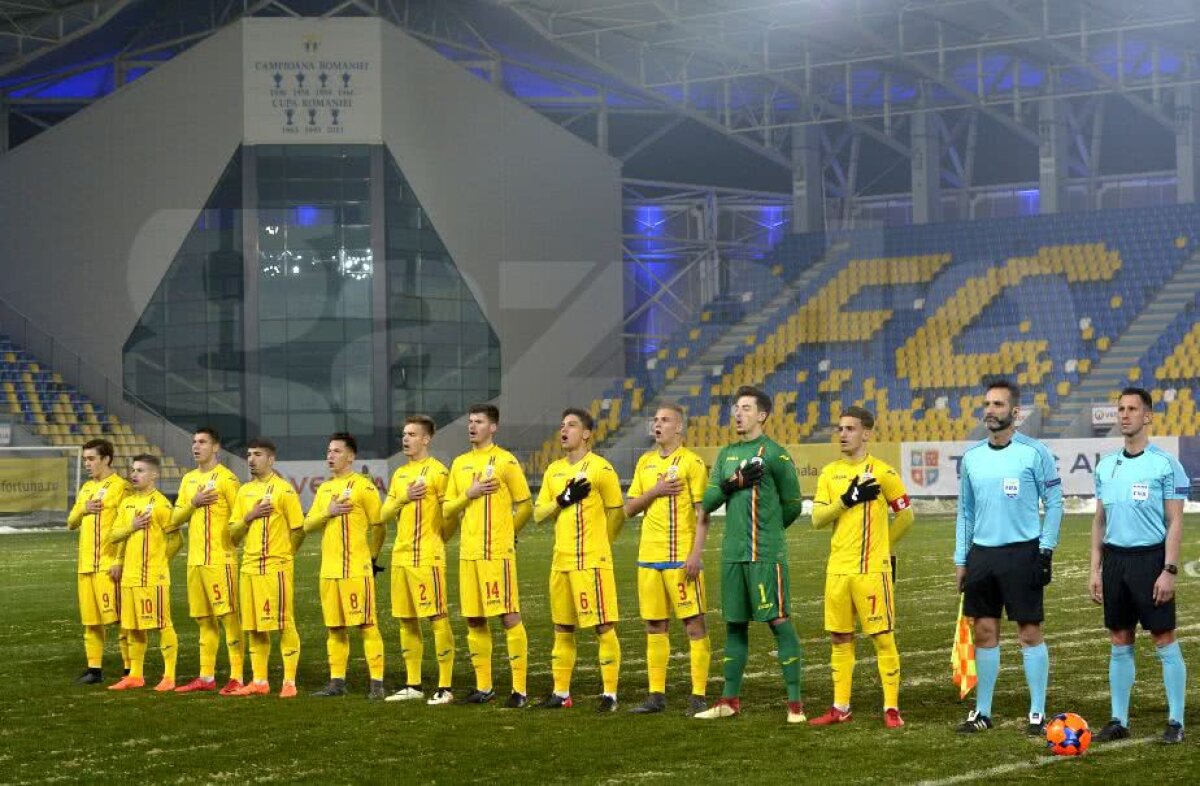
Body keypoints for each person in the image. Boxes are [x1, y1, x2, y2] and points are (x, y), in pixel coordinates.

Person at [954, 379, 1062, 735]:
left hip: (1023, 553)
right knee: (984, 632)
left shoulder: (1035, 453)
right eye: (987, 404)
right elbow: (965, 513)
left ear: (1015, 413)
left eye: (998, 405)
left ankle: (1036, 713)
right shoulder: (971, 458)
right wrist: (961, 559)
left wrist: (1045, 549)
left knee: (1030, 633)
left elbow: (1056, 503)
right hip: (982, 555)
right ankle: (983, 712)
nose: (990, 410)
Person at [695, 385, 806, 723]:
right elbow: (708, 501)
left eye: (745, 408)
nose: (738, 414)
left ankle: (795, 706)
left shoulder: (775, 454)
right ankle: (729, 700)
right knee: (734, 626)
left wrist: (768, 534)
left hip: (765, 554)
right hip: (732, 554)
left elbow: (793, 506)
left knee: (778, 621)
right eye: (736, 408)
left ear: (762, 415)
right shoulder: (726, 454)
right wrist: (731, 484)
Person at [1090, 387, 1189, 744]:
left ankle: (1176, 721)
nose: (1125, 415)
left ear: (1147, 416)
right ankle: (1119, 719)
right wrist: (1095, 569)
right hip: (1115, 561)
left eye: (1132, 409)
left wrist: (1169, 569)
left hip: (1151, 561)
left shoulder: (1165, 464)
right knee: (1119, 639)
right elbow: (1099, 521)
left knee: (1163, 638)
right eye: (1120, 409)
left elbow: (1175, 521)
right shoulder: (1105, 465)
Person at [810, 406, 914, 728]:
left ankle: (891, 708)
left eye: (850, 429)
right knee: (840, 639)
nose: (843, 434)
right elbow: (816, 519)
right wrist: (847, 499)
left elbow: (907, 516)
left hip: (871, 571)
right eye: (840, 429)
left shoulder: (884, 473)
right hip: (838, 571)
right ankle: (841, 707)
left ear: (866, 433)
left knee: (882, 638)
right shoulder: (829, 473)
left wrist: (883, 549)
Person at [533, 408, 625, 711]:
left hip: (591, 562)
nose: (564, 430)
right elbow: (537, 515)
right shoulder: (553, 471)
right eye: (562, 426)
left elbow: (617, 513)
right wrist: (563, 499)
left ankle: (610, 694)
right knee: (562, 628)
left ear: (586, 433)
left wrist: (602, 545)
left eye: (571, 425)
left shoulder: (601, 469)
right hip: (560, 562)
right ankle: (561, 693)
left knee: (602, 627)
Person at [623, 403, 711, 716]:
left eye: (665, 420)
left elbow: (704, 514)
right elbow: (630, 508)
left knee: (693, 625)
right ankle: (656, 695)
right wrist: (657, 491)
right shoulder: (645, 463)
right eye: (655, 420)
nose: (657, 425)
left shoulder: (692, 463)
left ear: (679, 428)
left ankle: (698, 695)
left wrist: (695, 554)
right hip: (649, 557)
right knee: (654, 626)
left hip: (679, 558)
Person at [443, 404, 533, 707]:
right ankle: (485, 687)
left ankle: (519, 689)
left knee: (508, 616)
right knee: (474, 619)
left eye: (479, 422)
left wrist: (510, 535)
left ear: (492, 427)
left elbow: (525, 505)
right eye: (470, 421)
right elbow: (446, 509)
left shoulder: (506, 461)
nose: (472, 426)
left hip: (497, 554)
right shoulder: (458, 464)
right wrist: (468, 494)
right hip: (468, 554)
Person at [380, 416, 457, 705]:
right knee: (406, 620)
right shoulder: (400, 475)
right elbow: (383, 515)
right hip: (401, 557)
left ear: (426, 439)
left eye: (412, 434)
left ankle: (445, 687)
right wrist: (404, 498)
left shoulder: (439, 473)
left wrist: (437, 542)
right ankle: (413, 684)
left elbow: (451, 518)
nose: (406, 439)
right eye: (404, 434)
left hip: (427, 558)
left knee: (437, 618)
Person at [303, 432, 386, 699]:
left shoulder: (364, 487)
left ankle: (377, 684)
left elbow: (379, 526)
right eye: (328, 451)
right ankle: (336, 683)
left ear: (350, 456)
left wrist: (371, 557)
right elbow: (307, 525)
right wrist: (329, 511)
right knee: (335, 627)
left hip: (354, 569)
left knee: (366, 625)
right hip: (329, 570)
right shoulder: (325, 489)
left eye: (336, 451)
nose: (330, 456)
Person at [227, 438, 306, 697]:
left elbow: (298, 529)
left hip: (276, 568)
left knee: (283, 623)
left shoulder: (284, 490)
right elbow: (233, 534)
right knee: (253, 626)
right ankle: (260, 681)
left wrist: (286, 556)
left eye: (257, 454)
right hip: (249, 567)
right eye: (248, 454)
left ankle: (289, 682)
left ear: (271, 459)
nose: (251, 459)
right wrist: (249, 516)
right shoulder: (243, 492)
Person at [172, 427, 245, 695]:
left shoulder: (228, 479)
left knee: (228, 618)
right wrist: (194, 502)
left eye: (202, 442)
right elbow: (175, 518)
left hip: (219, 560)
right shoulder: (189, 480)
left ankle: (237, 676)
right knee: (204, 621)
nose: (196, 446)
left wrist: (231, 547)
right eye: (194, 442)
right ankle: (206, 676)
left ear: (216, 447)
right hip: (195, 562)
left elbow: (241, 518)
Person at [106, 454, 182, 691]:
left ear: (154, 475)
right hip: (130, 576)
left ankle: (169, 677)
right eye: (133, 470)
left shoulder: (161, 505)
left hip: (152, 577)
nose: (134, 474)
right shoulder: (127, 503)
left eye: (140, 471)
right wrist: (132, 527)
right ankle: (135, 675)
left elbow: (176, 539)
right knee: (133, 626)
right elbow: (113, 536)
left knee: (162, 625)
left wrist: (160, 562)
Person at [66, 438, 131, 683]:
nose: (87, 464)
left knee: (121, 619)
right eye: (85, 459)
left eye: (91, 458)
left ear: (106, 459)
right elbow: (71, 522)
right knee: (91, 621)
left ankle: (129, 670)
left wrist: (119, 560)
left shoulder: (121, 487)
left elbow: (127, 526)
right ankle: (94, 670)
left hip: (108, 564)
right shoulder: (86, 489)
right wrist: (84, 508)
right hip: (86, 565)